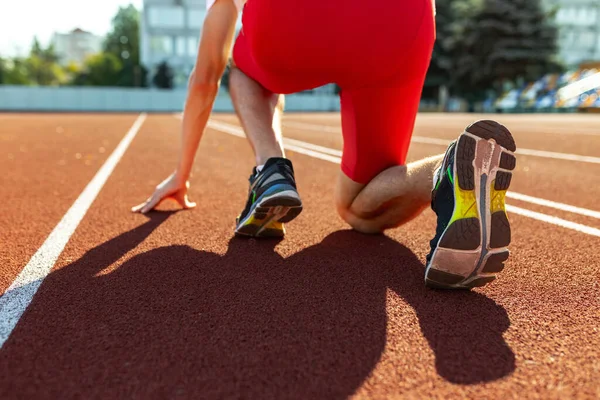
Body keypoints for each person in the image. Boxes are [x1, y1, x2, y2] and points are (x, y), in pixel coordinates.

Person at [134, 0, 518, 290]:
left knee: (238, 64)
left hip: (292, 23)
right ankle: (444, 173)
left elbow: (204, 80)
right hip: (401, 23)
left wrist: (181, 174)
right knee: (360, 208)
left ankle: (271, 168)